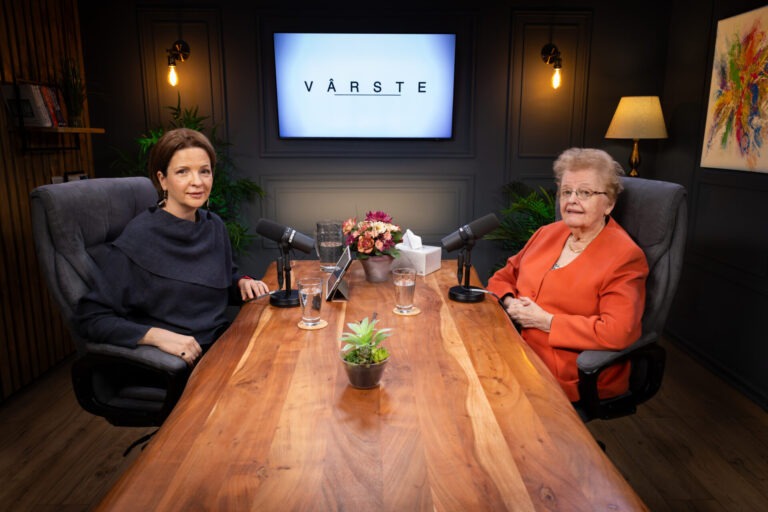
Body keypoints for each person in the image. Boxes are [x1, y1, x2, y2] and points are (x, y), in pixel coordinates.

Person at [76, 128, 268, 367]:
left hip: (222, 344)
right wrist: (156, 336)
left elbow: (218, 280)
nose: (197, 182)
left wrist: (241, 283)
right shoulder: (139, 237)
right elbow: (91, 318)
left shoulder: (214, 226)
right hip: (179, 363)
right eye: (182, 172)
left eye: (204, 171)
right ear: (162, 179)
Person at [487, 147, 648, 403]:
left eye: (585, 192)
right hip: (514, 345)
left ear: (609, 204)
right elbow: (502, 277)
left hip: (568, 370)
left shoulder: (624, 257)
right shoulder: (547, 233)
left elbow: (618, 331)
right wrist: (510, 302)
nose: (572, 200)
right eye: (566, 192)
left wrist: (547, 321)